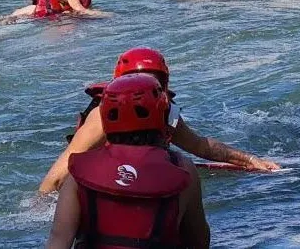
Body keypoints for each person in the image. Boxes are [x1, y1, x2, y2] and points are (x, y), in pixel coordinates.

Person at [40, 47, 280, 194]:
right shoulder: (102, 117)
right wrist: (41, 208)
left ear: (163, 86)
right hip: (98, 180)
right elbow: (57, 177)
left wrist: (249, 160)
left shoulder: (163, 109)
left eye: (152, 83)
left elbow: (199, 146)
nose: (143, 91)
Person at [46, 73, 210, 249]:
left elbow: (58, 242)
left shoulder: (78, 173)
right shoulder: (183, 169)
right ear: (161, 115)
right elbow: (199, 241)